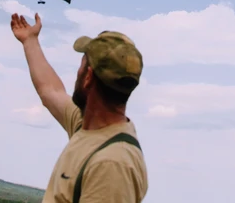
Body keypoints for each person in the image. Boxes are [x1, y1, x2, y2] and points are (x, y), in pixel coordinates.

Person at [10, 12, 148, 203]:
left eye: (81, 64)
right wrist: (30, 41)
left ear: (88, 76)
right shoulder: (87, 125)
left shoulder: (112, 163)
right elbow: (50, 90)